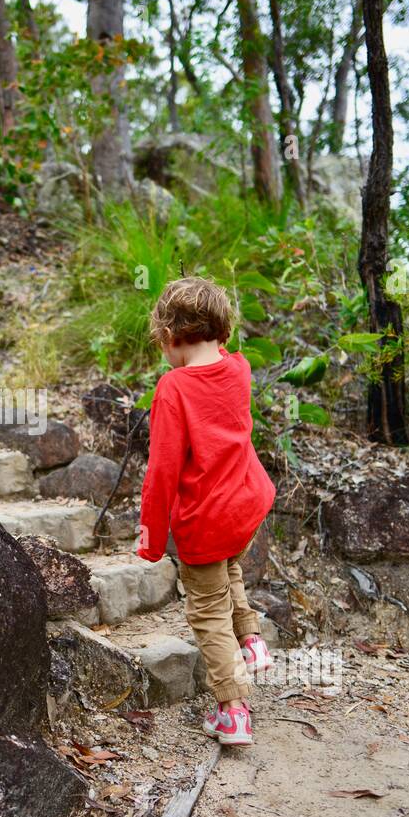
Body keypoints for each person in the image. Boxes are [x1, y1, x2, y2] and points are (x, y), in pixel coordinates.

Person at [137, 277, 277, 746]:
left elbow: (162, 470)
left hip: (209, 517)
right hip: (247, 503)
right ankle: (253, 641)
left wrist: (152, 536)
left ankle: (233, 709)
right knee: (228, 565)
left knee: (207, 610)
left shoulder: (174, 387)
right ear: (222, 331)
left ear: (170, 337)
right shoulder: (238, 368)